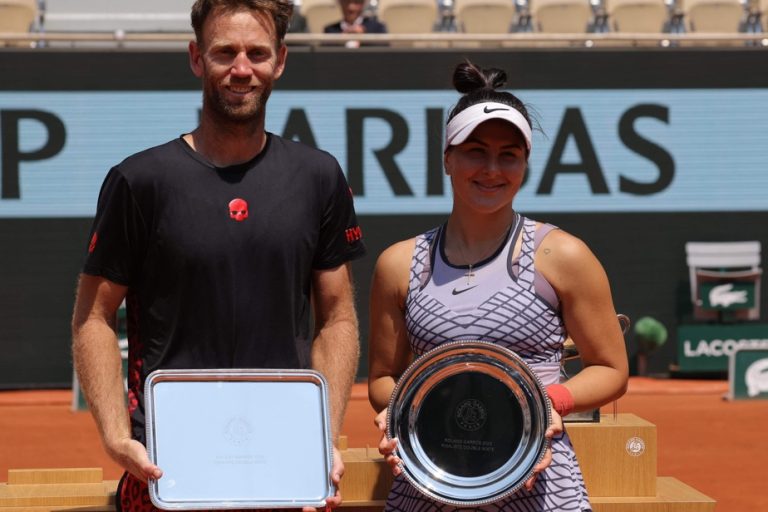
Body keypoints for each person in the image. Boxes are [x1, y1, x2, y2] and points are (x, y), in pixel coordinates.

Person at [70, 1, 366, 511]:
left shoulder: (319, 177)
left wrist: (322, 433)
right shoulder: (139, 181)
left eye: (257, 53)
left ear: (281, 61)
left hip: (284, 461)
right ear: (195, 58)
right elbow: (93, 317)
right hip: (164, 463)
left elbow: (337, 318)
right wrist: (117, 436)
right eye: (225, 52)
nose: (242, 68)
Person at [367, 60, 629, 511]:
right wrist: (409, 413)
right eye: (475, 151)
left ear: (525, 163)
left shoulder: (563, 255)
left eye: (509, 154)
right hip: (429, 481)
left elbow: (611, 368)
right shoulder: (399, 263)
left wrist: (543, 402)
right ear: (447, 157)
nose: (492, 168)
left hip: (539, 490)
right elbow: (382, 378)